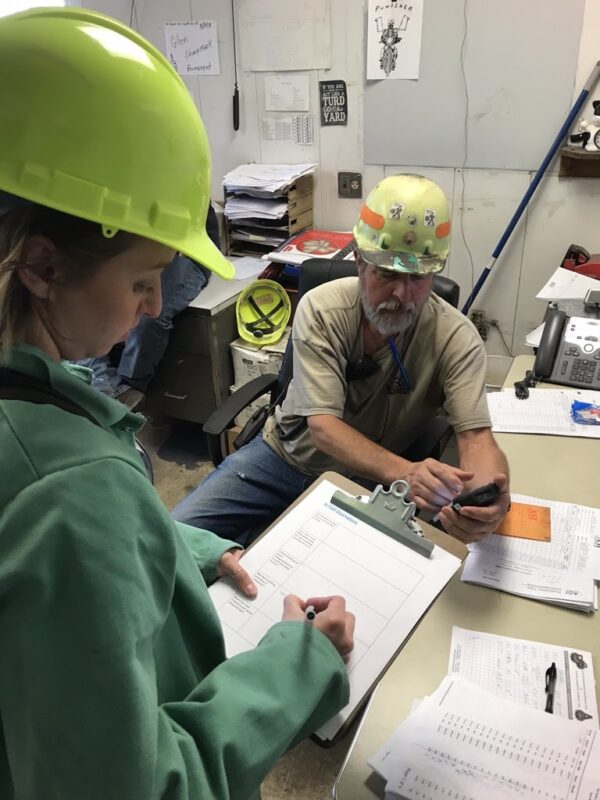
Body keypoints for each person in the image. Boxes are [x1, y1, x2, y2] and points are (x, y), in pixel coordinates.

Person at [0, 8, 354, 800]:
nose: (159, 305)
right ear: (41, 265)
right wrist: (299, 664)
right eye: (141, 277)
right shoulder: (74, 490)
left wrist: (176, 549)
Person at [173, 174, 511, 546]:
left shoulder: (456, 338)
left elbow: (477, 439)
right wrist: (408, 473)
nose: (402, 293)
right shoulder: (323, 310)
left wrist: (488, 498)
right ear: (359, 262)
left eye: (418, 277)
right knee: (171, 542)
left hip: (368, 480)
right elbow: (323, 428)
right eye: (387, 273)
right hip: (282, 460)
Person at [75, 205, 219, 408]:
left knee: (148, 318)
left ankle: (127, 391)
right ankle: (107, 388)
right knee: (92, 303)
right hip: (122, 247)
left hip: (184, 250)